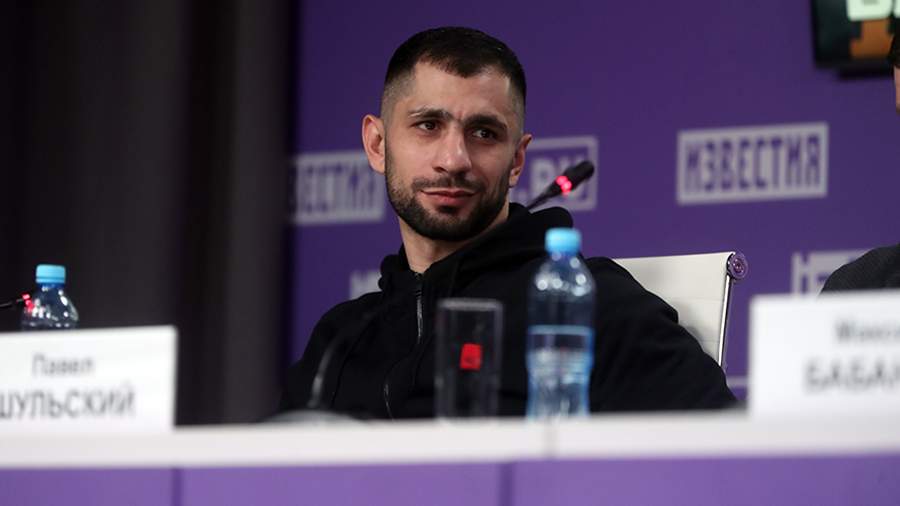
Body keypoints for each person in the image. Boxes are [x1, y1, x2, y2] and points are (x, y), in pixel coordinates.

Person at [280, 27, 734, 418]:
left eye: (484, 133)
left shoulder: (590, 307)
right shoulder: (340, 338)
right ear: (377, 145)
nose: (454, 159)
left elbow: (726, 462)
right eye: (428, 125)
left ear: (516, 160)